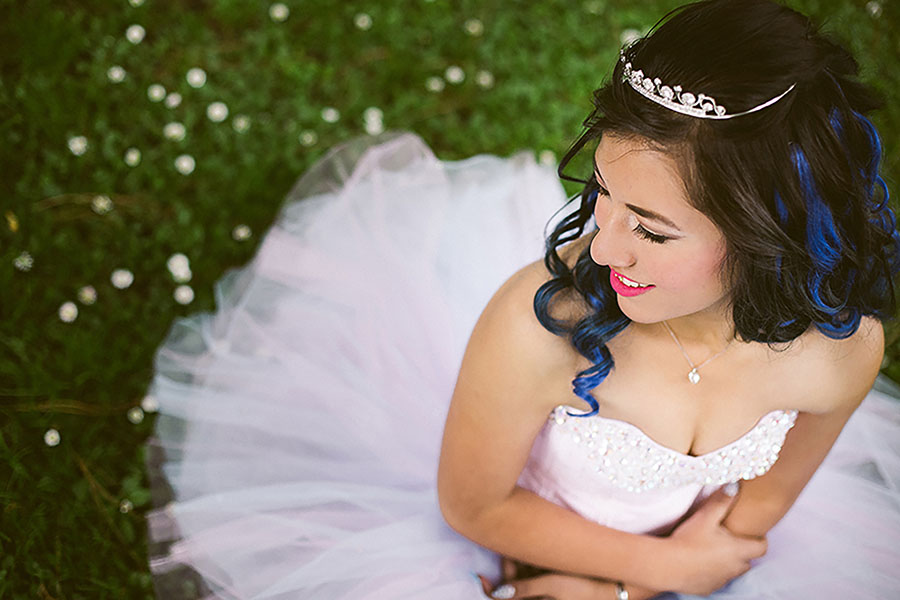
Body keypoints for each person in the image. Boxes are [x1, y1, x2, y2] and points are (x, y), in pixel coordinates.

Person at [144, 0, 900, 598]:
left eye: (652, 230)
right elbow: (473, 506)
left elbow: (759, 509)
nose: (601, 250)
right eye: (602, 194)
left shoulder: (837, 353)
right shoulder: (545, 326)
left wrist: (637, 585)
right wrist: (656, 573)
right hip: (521, 536)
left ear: (770, 236)